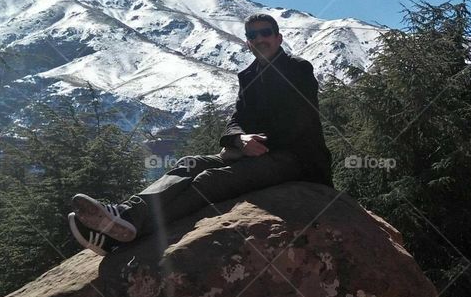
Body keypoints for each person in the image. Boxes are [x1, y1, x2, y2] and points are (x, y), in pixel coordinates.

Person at [67, 13, 333, 256]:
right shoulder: (249, 76)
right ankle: (124, 214)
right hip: (251, 153)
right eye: (253, 35)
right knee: (189, 163)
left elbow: (300, 120)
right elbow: (236, 120)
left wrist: (255, 144)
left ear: (278, 37)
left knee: (209, 180)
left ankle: (125, 233)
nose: (260, 39)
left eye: (265, 33)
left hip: (296, 161)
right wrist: (239, 140)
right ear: (247, 42)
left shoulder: (298, 69)